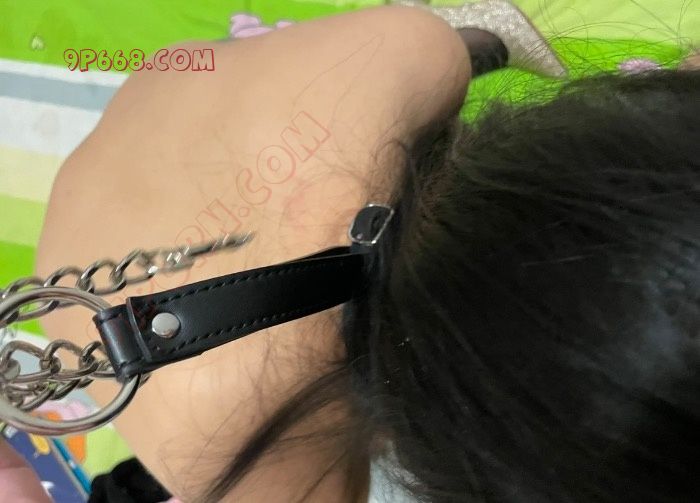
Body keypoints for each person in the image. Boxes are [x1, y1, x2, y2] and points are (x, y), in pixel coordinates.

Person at [3, 1, 696, 502]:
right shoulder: (277, 479)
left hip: (171, 107)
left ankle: (491, 49)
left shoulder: (405, 44)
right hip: (122, 353)